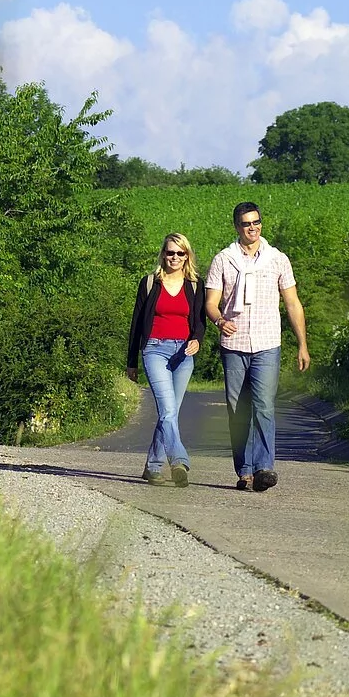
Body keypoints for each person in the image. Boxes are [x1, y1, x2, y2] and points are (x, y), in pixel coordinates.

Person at [203, 202, 309, 492]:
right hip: (234, 343)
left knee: (264, 404)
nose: (253, 228)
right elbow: (211, 303)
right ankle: (245, 469)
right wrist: (219, 320)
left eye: (257, 222)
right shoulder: (223, 260)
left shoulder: (277, 259)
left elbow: (292, 302)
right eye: (247, 224)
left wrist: (302, 344)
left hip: (267, 342)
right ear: (237, 227)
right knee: (238, 408)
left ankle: (265, 467)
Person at [126, 233, 207, 487]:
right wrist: (131, 362)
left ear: (187, 256)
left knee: (169, 413)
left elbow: (200, 322)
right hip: (154, 350)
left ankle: (152, 467)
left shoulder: (195, 285)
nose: (174, 257)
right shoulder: (150, 283)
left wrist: (197, 340)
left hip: (183, 353)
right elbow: (137, 323)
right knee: (168, 411)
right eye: (170, 252)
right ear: (163, 254)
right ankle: (179, 461)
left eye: (180, 253)